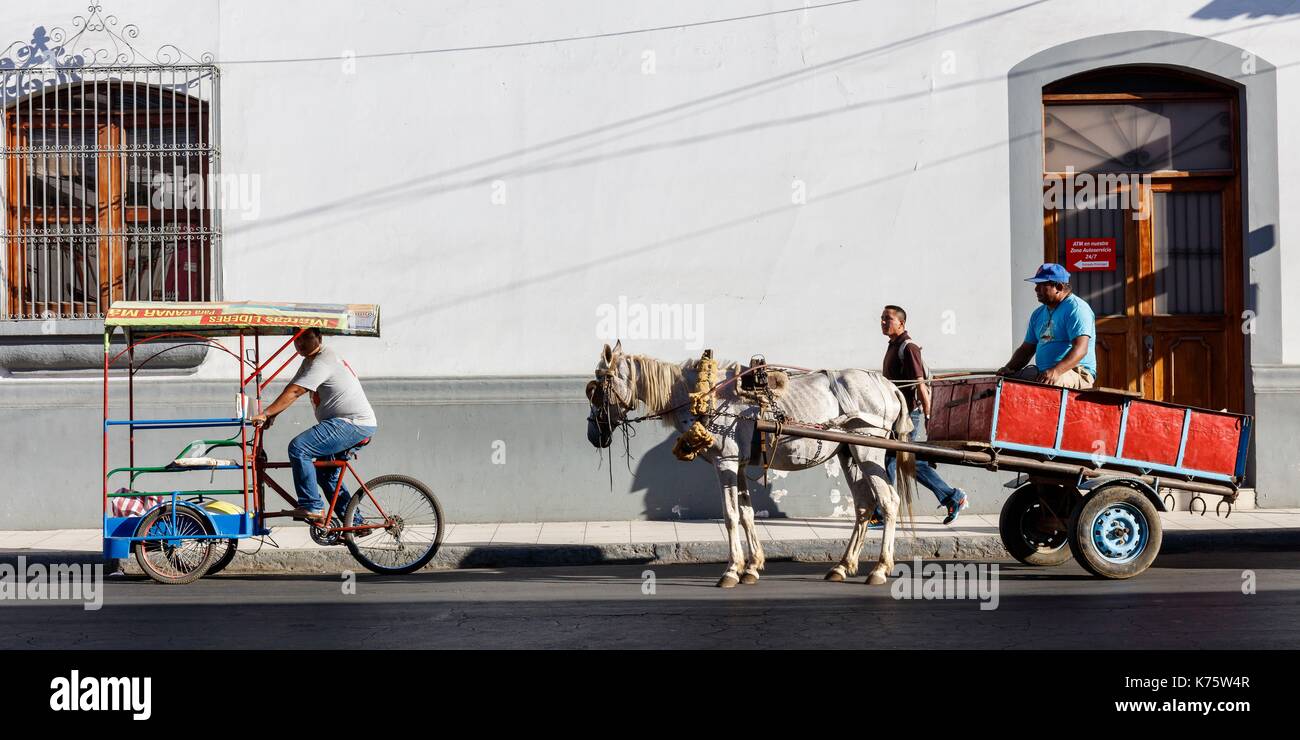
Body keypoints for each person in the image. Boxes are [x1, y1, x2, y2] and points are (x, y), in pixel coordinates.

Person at [251, 328, 378, 528]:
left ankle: (311, 506)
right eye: (297, 339)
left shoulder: (324, 360)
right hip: (349, 423)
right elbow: (292, 387)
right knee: (325, 475)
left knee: (299, 448)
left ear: (319, 338)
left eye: (306, 338)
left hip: (351, 422)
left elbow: (296, 392)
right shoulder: (309, 361)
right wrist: (272, 414)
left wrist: (266, 413)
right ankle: (355, 524)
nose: (300, 343)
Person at [879, 305, 969, 525]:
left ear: (901, 323)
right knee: (905, 461)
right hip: (896, 414)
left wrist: (929, 417)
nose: (882, 322)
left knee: (890, 459)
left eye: (887, 319)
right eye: (881, 318)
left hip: (908, 415)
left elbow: (919, 385)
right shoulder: (894, 346)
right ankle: (952, 497)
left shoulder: (908, 348)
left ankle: (882, 514)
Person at [996, 263, 1097, 389]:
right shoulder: (1038, 314)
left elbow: (1080, 349)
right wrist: (1008, 369)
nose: (1036, 289)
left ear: (1058, 286)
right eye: (1036, 285)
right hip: (1044, 373)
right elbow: (1026, 349)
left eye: (1041, 285)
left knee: (1047, 385)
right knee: (1006, 384)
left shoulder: (1076, 309)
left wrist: (1056, 371)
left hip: (1076, 372)